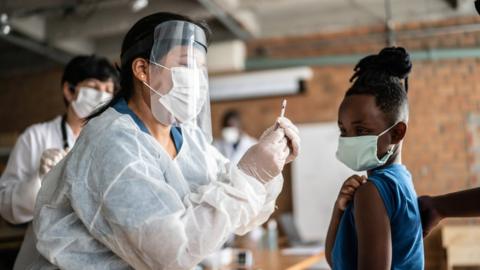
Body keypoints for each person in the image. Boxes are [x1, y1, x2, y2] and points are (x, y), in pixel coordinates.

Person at [28, 12, 300, 269]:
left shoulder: (188, 137)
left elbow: (239, 218)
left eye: (200, 68)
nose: (196, 78)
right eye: (184, 64)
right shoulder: (111, 143)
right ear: (142, 69)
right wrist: (250, 175)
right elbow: (170, 254)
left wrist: (266, 170)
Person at [0, 55, 118, 270]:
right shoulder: (36, 137)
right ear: (69, 91)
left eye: (108, 89)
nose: (103, 94)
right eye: (93, 87)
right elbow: (7, 208)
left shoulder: (115, 141)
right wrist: (39, 179)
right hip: (42, 260)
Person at [325, 47, 424, 269]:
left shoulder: (372, 191)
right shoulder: (401, 178)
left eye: (360, 131)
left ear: (396, 132)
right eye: (343, 130)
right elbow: (336, 260)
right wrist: (339, 210)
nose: (349, 139)